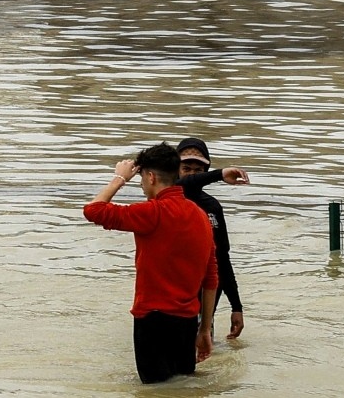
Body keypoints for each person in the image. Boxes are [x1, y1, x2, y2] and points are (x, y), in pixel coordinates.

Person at [83, 142, 218, 383]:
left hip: (153, 319)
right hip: (187, 323)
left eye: (141, 179)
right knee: (181, 386)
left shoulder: (151, 212)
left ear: (151, 177)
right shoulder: (201, 216)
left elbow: (93, 210)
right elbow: (211, 278)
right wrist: (205, 329)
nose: (142, 185)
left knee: (154, 389)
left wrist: (119, 178)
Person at [176, 136, 250, 338]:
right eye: (186, 168)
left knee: (203, 346)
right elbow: (183, 184)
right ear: (175, 169)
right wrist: (221, 174)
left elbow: (222, 258)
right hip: (176, 287)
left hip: (207, 288)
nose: (192, 174)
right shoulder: (166, 199)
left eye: (198, 170)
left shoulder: (212, 207)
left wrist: (237, 306)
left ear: (205, 173)